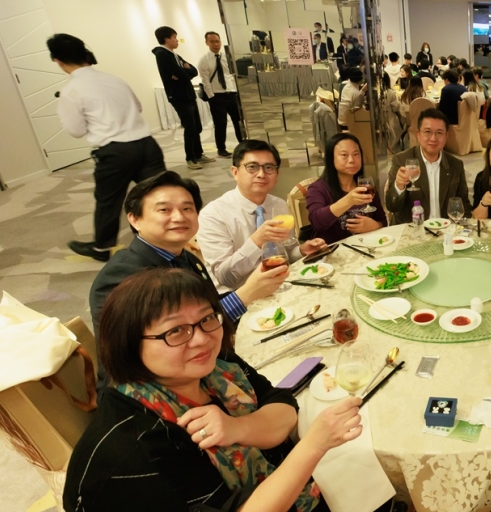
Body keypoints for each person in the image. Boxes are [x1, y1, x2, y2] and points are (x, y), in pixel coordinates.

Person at [66, 269, 390, 512]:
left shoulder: (212, 365)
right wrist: (313, 446)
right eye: (175, 331)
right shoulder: (140, 446)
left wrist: (237, 428)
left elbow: (283, 404)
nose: (201, 338)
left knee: (360, 474)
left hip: (248, 505)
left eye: (207, 318)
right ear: (128, 344)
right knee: (369, 496)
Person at [88, 171, 285, 369]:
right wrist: (246, 294)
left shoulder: (185, 258)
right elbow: (178, 337)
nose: (179, 217)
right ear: (134, 219)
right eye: (164, 210)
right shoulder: (122, 276)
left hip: (207, 359)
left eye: (187, 208)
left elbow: (209, 311)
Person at [49, 33, 166, 262]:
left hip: (115, 152)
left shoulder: (71, 90)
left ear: (57, 61)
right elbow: (138, 107)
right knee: (158, 194)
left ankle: (103, 247)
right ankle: (162, 240)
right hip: (147, 144)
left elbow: (76, 130)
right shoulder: (114, 79)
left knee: (109, 200)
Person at [198, 141, 326, 292]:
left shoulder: (279, 206)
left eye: (269, 168)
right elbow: (225, 278)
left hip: (281, 285)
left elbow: (285, 254)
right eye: (252, 167)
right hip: (238, 295)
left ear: (277, 174)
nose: (261, 174)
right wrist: (257, 241)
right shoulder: (213, 215)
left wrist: (302, 251)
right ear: (235, 172)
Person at [386, 108, 469, 223]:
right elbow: (392, 206)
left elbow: (464, 205)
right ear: (418, 134)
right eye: (427, 132)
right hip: (412, 229)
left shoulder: (455, 165)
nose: (433, 138)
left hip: (445, 229)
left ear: (446, 137)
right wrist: (399, 186)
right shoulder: (402, 160)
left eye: (439, 133)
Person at [306, 133, 387, 243]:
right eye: (344, 155)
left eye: (356, 154)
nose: (351, 160)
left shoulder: (366, 186)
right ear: (331, 158)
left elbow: (383, 220)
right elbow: (317, 222)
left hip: (367, 246)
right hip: (333, 250)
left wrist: (375, 225)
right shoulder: (317, 188)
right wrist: (349, 200)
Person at [153, 26, 210, 168]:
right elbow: (182, 74)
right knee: (190, 127)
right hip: (179, 96)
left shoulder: (175, 55)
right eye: (174, 37)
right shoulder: (162, 54)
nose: (177, 40)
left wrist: (185, 72)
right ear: (166, 39)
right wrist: (183, 72)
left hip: (188, 94)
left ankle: (198, 154)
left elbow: (193, 71)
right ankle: (190, 158)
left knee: (196, 126)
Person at [198, 31, 243, 158]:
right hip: (217, 96)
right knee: (220, 124)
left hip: (231, 94)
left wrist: (236, 91)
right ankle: (221, 149)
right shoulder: (204, 60)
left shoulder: (227, 57)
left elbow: (232, 75)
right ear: (206, 43)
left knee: (238, 121)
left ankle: (243, 144)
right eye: (212, 42)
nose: (215, 44)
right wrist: (211, 97)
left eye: (217, 41)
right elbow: (205, 81)